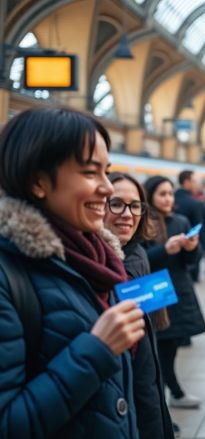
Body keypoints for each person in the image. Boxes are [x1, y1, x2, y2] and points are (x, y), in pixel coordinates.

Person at [0, 107, 145, 437]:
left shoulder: (101, 264)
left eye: (106, 172)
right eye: (91, 173)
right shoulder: (8, 275)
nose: (108, 188)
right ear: (38, 181)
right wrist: (97, 351)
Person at [103, 172, 175, 439]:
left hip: (144, 380)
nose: (128, 214)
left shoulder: (137, 254)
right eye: (117, 203)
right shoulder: (91, 265)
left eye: (135, 206)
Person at [144, 175, 205, 409]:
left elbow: (190, 261)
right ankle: (165, 402)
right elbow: (136, 261)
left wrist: (192, 248)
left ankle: (173, 396)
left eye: (170, 193)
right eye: (162, 194)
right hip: (153, 297)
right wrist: (164, 249)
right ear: (150, 196)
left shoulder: (180, 221)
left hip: (177, 294)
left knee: (168, 352)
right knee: (155, 357)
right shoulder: (142, 223)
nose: (168, 198)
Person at [174, 170, 205, 282]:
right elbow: (199, 229)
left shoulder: (172, 199)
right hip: (189, 248)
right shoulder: (195, 203)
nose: (196, 184)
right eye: (194, 181)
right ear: (186, 182)